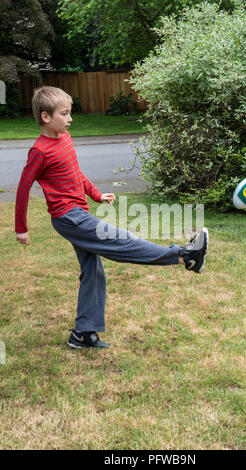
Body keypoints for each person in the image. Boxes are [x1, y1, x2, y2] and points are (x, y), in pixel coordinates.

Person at [15, 86, 209, 350]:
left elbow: (75, 173)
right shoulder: (39, 151)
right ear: (46, 117)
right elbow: (24, 186)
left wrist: (96, 195)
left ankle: (83, 334)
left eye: (70, 113)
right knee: (119, 240)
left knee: (93, 272)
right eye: (65, 113)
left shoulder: (65, 139)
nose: (70, 118)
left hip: (78, 212)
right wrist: (21, 228)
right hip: (67, 218)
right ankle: (184, 256)